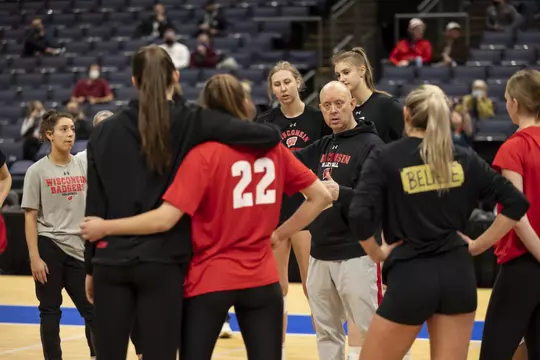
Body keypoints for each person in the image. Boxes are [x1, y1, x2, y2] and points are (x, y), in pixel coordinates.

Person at [80, 73, 333, 360]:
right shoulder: (273, 148)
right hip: (262, 279)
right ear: (244, 102)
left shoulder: (203, 155)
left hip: (209, 278)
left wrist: (106, 227)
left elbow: (165, 219)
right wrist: (280, 233)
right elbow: (321, 197)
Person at [348, 84, 529, 360]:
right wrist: (479, 245)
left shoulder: (386, 156)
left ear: (406, 114)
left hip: (411, 275)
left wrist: (377, 253)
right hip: (458, 276)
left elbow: (359, 215)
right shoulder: (464, 157)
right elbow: (516, 203)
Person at [291, 81, 382, 360]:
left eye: (339, 104)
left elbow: (376, 199)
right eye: (327, 105)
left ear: (353, 104)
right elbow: (288, 161)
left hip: (356, 253)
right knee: (326, 332)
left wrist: (339, 192)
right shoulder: (324, 145)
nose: (333, 111)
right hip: (320, 253)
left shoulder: (371, 145)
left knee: (370, 331)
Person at [256, 61, 331, 356]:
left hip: (307, 211)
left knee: (314, 288)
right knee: (277, 288)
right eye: (277, 84)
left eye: (287, 82)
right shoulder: (264, 121)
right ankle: (278, 350)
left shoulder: (318, 118)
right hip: (274, 212)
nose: (283, 89)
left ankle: (327, 349)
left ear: (299, 82)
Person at [21, 110, 95, 360]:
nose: (70, 134)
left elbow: (105, 139)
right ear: (49, 135)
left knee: (93, 311)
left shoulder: (83, 163)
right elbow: (30, 216)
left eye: (73, 128)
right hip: (49, 246)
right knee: (50, 313)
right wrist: (34, 257)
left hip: (79, 249)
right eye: (64, 129)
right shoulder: (36, 171)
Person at [478, 69, 540, 360]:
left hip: (522, 264)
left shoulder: (514, 148)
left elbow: (517, 214)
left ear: (514, 103)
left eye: (505, 99)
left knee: (494, 352)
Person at [333, 47, 403, 144]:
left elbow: (409, 142)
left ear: (362, 70)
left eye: (346, 72)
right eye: (338, 75)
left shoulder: (387, 104)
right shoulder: (346, 109)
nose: (341, 79)